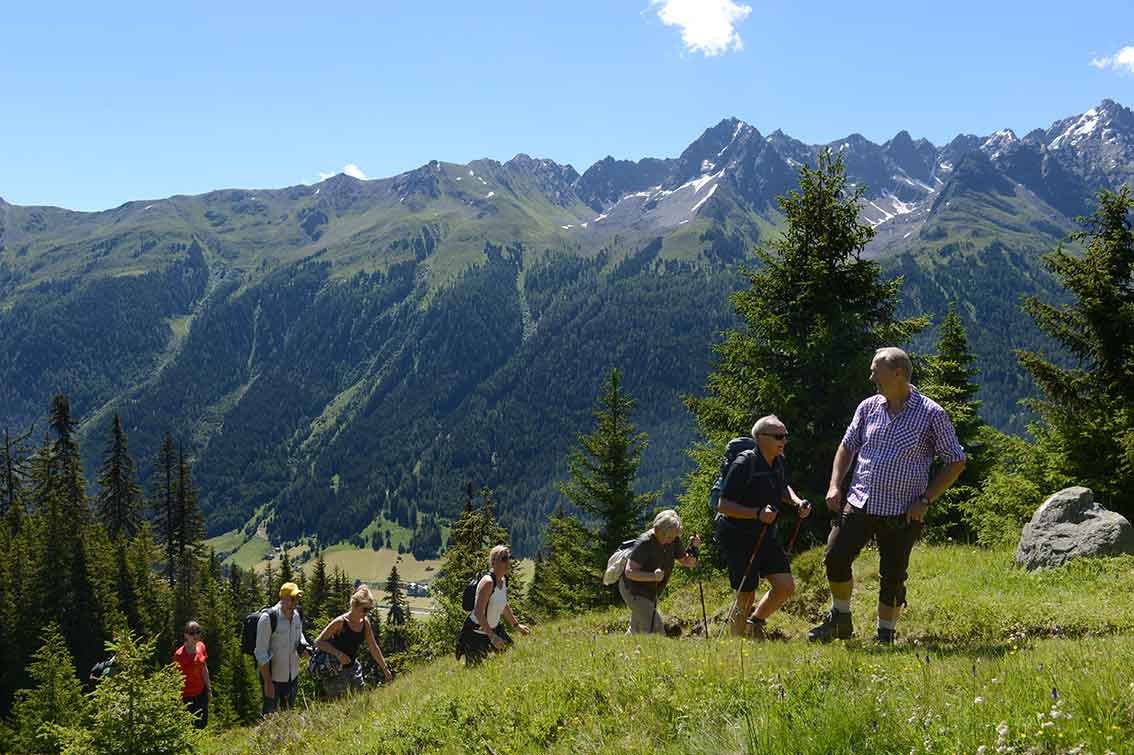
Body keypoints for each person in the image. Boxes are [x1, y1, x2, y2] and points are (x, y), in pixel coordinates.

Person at [809, 347, 966, 644]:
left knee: (893, 575)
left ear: (897, 374)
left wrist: (926, 500)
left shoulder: (932, 414)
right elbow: (847, 446)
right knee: (835, 557)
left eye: (875, 371)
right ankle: (840, 618)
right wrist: (834, 484)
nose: (871, 377)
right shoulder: (868, 407)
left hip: (903, 509)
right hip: (860, 500)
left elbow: (956, 460)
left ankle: (885, 636)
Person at [716, 416, 812, 638]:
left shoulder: (777, 460)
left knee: (785, 586)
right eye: (778, 436)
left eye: (785, 436)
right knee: (746, 594)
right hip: (738, 537)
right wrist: (757, 514)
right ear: (760, 438)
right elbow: (723, 505)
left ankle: (755, 622)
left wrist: (798, 502)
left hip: (766, 534)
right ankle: (736, 644)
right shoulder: (743, 464)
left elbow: (782, 487)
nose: (784, 441)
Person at [619, 509, 700, 635]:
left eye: (673, 537)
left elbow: (687, 562)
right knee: (655, 628)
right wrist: (652, 576)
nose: (670, 540)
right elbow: (629, 572)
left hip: (652, 592)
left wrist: (694, 548)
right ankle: (656, 653)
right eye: (668, 537)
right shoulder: (645, 543)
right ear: (657, 530)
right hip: (633, 589)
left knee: (637, 629)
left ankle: (623, 652)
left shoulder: (673, 540)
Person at [314, 584, 393, 698]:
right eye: (365, 609)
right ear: (355, 606)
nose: (367, 613)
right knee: (339, 704)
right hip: (336, 671)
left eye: (369, 609)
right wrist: (338, 654)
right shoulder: (340, 622)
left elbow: (373, 647)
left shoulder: (365, 623)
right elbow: (318, 642)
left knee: (359, 700)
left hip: (353, 668)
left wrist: (385, 669)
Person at [456, 545, 530, 664]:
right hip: (475, 634)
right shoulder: (488, 582)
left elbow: (503, 605)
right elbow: (478, 612)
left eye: (509, 558)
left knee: (514, 659)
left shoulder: (503, 580)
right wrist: (492, 637)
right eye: (504, 559)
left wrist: (517, 626)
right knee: (475, 672)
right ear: (494, 562)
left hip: (494, 630)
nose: (508, 562)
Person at [255, 581, 311, 715]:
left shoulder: (298, 614)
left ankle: (287, 736)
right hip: (273, 678)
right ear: (282, 598)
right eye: (292, 599)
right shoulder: (268, 618)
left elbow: (299, 634)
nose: (295, 602)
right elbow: (261, 653)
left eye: (297, 598)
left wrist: (304, 646)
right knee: (270, 715)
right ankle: (265, 736)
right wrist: (268, 682)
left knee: (288, 713)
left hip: (293, 676)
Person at [173, 620, 211, 729]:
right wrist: (178, 700)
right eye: (191, 633)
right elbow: (176, 678)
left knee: (202, 723)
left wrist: (209, 689)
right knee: (190, 726)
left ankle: (200, 745)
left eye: (198, 632)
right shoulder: (179, 655)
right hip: (186, 696)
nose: (195, 636)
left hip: (201, 693)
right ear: (186, 635)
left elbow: (204, 668)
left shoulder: (201, 647)